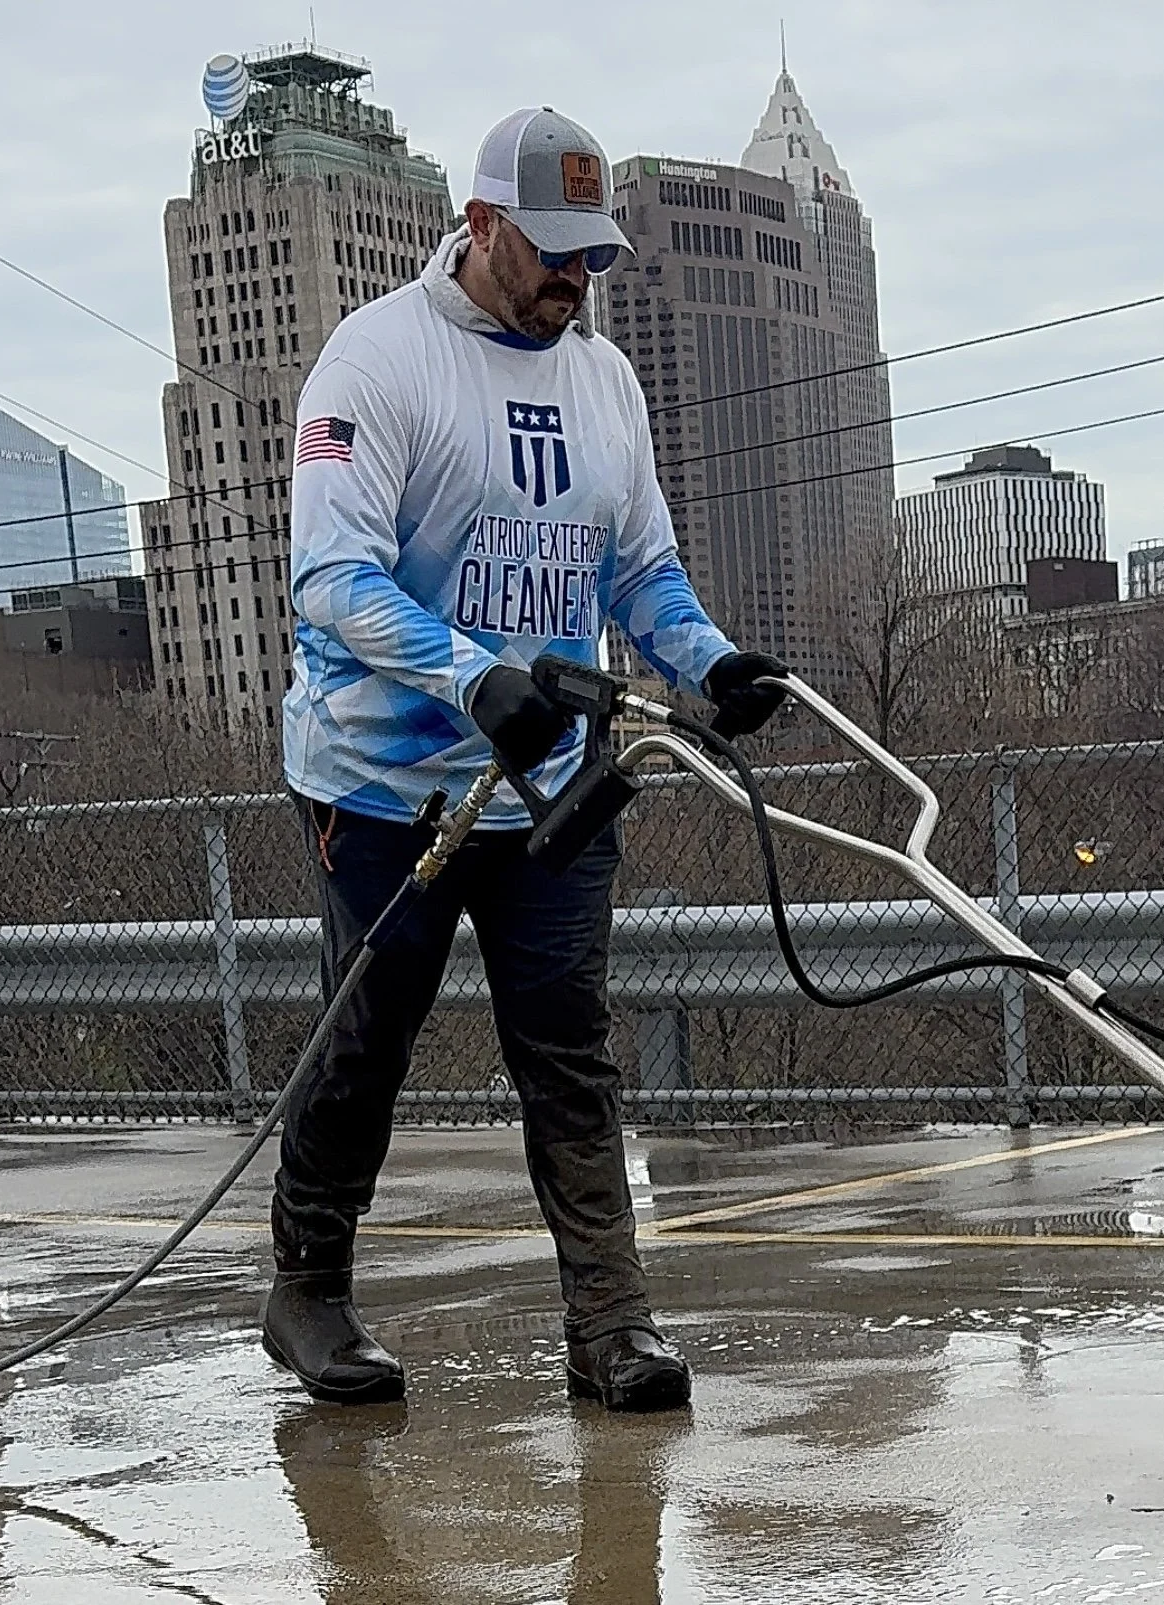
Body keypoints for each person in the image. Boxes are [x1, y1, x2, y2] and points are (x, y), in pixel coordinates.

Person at [268, 107, 786, 1412]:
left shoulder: (606, 381)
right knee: (370, 1035)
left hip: (555, 782)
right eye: (551, 252)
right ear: (483, 224)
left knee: (569, 1048)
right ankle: (308, 1291)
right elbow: (331, 577)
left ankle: (611, 1327)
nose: (573, 279)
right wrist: (470, 676)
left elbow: (642, 570)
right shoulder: (376, 364)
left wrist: (712, 663)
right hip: (388, 788)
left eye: (591, 257)